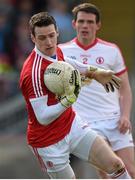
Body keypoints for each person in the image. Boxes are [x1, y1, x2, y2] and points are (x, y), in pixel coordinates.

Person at [19, 12, 131, 179]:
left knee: (116, 165)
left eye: (51, 35)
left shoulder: (55, 49)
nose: (49, 42)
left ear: (57, 32)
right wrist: (69, 100)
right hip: (47, 141)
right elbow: (42, 116)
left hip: (71, 125)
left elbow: (67, 63)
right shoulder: (32, 73)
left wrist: (95, 71)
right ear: (33, 38)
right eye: (42, 38)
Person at [59, 3, 135, 178]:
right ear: (74, 24)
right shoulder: (62, 52)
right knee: (109, 172)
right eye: (82, 21)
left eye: (90, 22)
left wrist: (125, 116)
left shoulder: (111, 50)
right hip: (86, 124)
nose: (85, 26)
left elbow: (124, 88)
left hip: (115, 120)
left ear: (98, 25)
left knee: (130, 170)